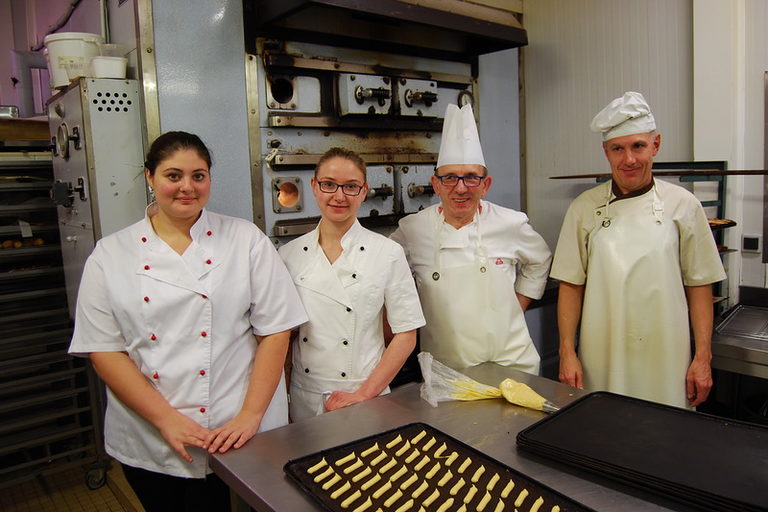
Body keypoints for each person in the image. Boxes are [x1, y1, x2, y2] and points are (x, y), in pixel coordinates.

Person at [69, 131, 308, 511]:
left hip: (238, 426)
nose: (187, 187)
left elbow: (276, 330)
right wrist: (166, 419)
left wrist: (250, 415)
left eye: (199, 176)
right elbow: (104, 350)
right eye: (173, 175)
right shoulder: (110, 253)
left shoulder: (244, 239)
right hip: (149, 432)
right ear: (150, 177)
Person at [551, 91, 726, 408]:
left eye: (638, 146)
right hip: (601, 354)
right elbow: (570, 285)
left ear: (656, 145)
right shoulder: (583, 209)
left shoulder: (683, 205)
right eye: (618, 148)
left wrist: (703, 356)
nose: (628, 159)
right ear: (606, 152)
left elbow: (700, 285)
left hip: (667, 357)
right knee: (602, 430)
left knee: (664, 438)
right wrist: (567, 352)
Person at [391, 104, 552, 373]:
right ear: (436, 184)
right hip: (445, 366)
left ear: (486, 184)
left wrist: (518, 304)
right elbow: (386, 271)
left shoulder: (511, 223)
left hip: (512, 361)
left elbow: (541, 259)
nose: (461, 188)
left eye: (471, 178)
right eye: (450, 178)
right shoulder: (412, 229)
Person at [279, 148, 425, 421]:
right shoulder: (288, 255)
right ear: (314, 185)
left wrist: (364, 394)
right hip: (305, 396)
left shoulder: (387, 252)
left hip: (365, 394)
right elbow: (285, 340)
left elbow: (406, 335)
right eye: (329, 184)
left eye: (350, 187)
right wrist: (283, 401)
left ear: (363, 191)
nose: (339, 196)